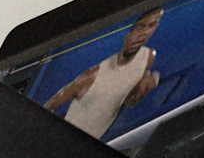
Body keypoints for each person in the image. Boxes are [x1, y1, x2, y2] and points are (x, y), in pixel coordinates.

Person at [45, 9, 162, 139]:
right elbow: (51, 105)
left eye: (151, 26)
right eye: (140, 27)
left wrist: (141, 91)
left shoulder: (148, 57)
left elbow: (128, 101)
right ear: (128, 34)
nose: (144, 33)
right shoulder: (92, 75)